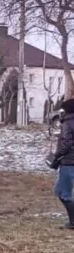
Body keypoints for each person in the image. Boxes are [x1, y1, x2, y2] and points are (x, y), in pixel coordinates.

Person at [52, 98, 74, 230]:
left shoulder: (68, 123)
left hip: (69, 162)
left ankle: (73, 223)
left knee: (62, 192)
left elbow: (66, 143)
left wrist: (56, 155)